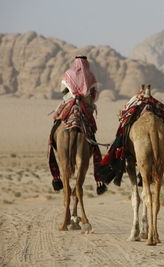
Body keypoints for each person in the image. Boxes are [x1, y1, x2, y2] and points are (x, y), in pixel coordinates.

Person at [49, 56, 106, 194]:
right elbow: (94, 94)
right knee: (90, 129)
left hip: (69, 102)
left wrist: (72, 93)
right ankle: (94, 151)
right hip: (84, 105)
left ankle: (52, 143)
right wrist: (86, 96)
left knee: (57, 122)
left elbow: (63, 90)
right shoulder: (90, 75)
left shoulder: (68, 73)